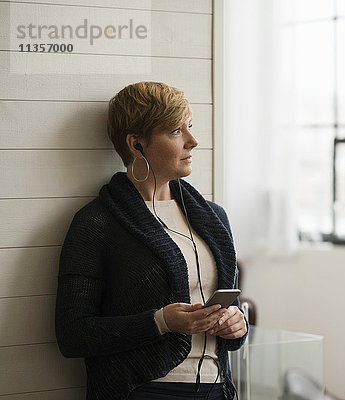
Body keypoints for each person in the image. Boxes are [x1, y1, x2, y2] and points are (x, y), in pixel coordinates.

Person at [55, 82, 248, 400]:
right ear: (136, 145)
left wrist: (236, 324)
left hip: (217, 386)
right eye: (175, 131)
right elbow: (73, 334)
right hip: (144, 390)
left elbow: (229, 307)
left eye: (190, 127)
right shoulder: (97, 223)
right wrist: (160, 322)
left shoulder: (213, 218)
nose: (193, 141)